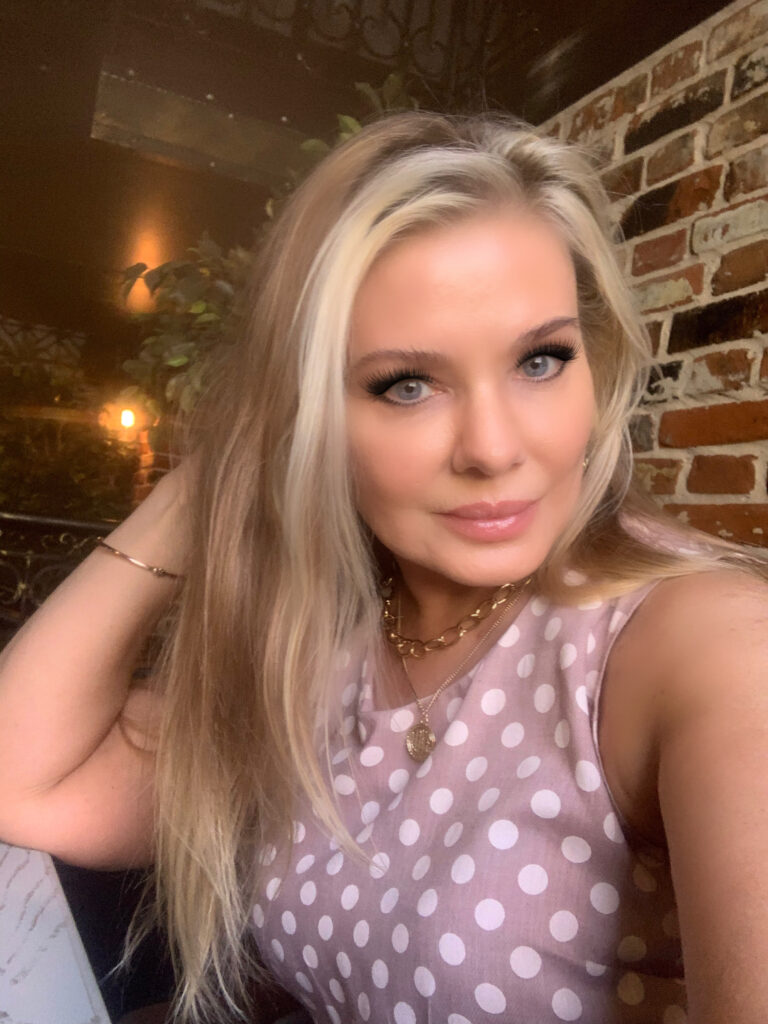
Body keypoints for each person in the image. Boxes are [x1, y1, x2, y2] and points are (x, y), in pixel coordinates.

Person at [1, 112, 767, 1024]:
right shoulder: (324, 645)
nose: (494, 448)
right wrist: (215, 476)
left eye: (540, 360)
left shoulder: (698, 643)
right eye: (407, 384)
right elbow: (23, 779)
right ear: (311, 414)